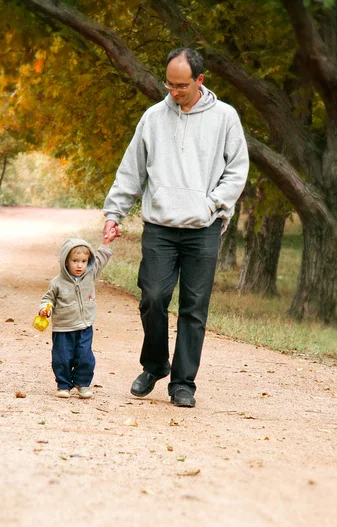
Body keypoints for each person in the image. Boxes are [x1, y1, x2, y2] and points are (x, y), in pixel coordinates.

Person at [103, 47, 249, 408]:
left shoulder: (225, 118)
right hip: (160, 226)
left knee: (194, 308)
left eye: (181, 85)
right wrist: (113, 213)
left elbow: (237, 170)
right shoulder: (153, 117)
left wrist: (212, 204)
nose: (174, 91)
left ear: (200, 80)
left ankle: (183, 384)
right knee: (152, 297)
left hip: (203, 228)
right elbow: (132, 170)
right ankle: (154, 366)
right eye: (169, 84)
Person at [38, 234, 114, 399]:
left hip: (85, 326)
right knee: (62, 358)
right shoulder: (57, 282)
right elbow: (47, 299)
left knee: (85, 357)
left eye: (83, 261)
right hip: (63, 328)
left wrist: (106, 244)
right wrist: (45, 309)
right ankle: (63, 385)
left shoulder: (89, 275)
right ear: (66, 261)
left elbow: (100, 260)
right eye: (75, 261)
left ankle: (82, 384)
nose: (80, 265)